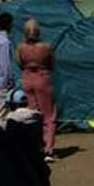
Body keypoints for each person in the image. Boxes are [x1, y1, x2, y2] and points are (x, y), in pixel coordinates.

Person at [17, 18, 57, 162]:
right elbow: (52, 63)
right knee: (49, 116)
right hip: (42, 78)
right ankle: (48, 149)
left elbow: (20, 63)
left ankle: (35, 147)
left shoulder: (20, 47)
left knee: (32, 114)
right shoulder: (46, 47)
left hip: (27, 78)